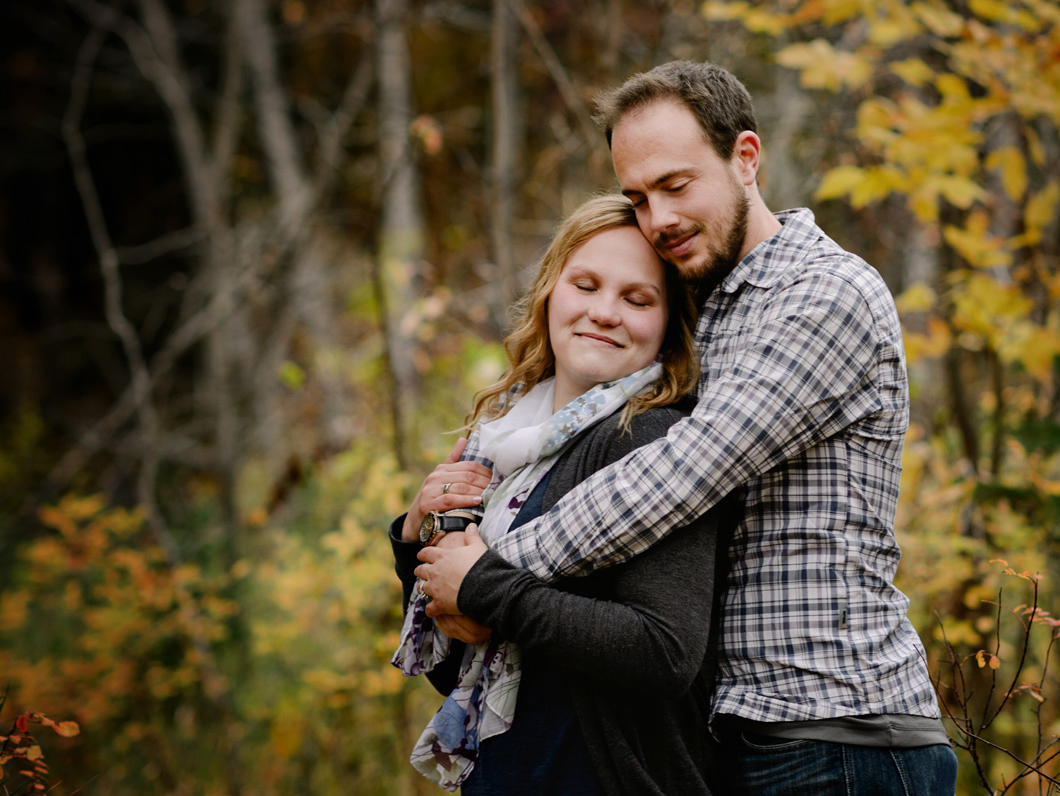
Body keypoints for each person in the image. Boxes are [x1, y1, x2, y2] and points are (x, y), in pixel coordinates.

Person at [415, 61, 958, 796]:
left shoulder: (826, 295)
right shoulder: (709, 305)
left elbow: (680, 477)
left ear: (745, 158)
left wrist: (488, 573)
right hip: (742, 735)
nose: (659, 217)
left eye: (676, 185)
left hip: (839, 731)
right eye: (638, 197)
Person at [389, 194, 730, 795]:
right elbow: (454, 674)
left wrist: (484, 585)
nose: (604, 312)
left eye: (637, 298)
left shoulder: (651, 437)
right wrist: (416, 540)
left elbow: (664, 651)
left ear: (668, 324)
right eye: (587, 285)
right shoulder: (507, 441)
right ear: (551, 291)